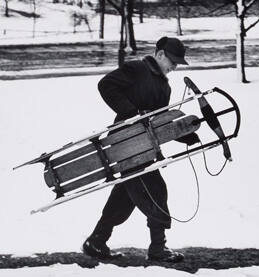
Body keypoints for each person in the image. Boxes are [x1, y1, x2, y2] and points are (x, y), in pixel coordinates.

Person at [82, 36, 195, 263]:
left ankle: (97, 240)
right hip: (126, 145)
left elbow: (158, 122)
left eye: (177, 63)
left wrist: (183, 134)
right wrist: (130, 112)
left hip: (144, 148)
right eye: (172, 60)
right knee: (155, 190)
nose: (174, 66)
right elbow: (106, 85)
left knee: (125, 195)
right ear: (160, 54)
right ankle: (157, 249)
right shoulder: (137, 69)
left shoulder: (164, 87)